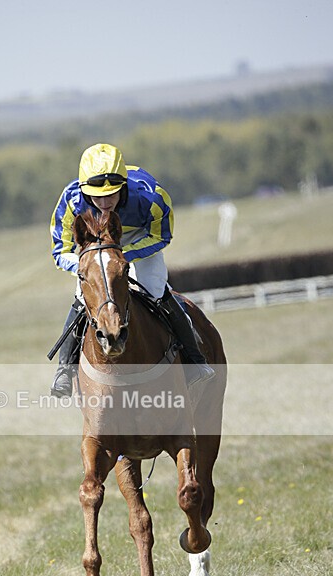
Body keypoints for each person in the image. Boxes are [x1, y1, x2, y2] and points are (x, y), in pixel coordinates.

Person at [49, 143, 214, 397]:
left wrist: (123, 257)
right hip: (94, 250)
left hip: (139, 241)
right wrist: (91, 265)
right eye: (97, 196)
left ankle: (194, 361)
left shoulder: (151, 197)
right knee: (83, 297)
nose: (104, 202)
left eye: (112, 194)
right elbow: (60, 250)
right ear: (83, 189)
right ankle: (64, 370)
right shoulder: (71, 203)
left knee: (156, 288)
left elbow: (162, 235)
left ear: (123, 185)